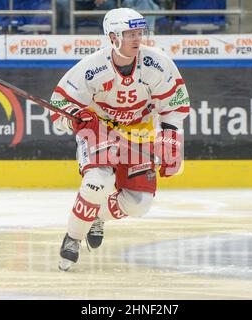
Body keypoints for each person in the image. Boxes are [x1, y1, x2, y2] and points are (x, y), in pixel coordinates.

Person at [49, 7, 190, 271]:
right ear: (113, 37)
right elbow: (59, 110)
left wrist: (170, 135)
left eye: (139, 33)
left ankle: (94, 217)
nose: (137, 39)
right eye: (129, 34)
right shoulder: (91, 69)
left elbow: (175, 104)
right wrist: (76, 117)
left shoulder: (157, 64)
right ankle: (74, 237)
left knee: (139, 204)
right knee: (97, 181)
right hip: (99, 130)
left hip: (138, 132)